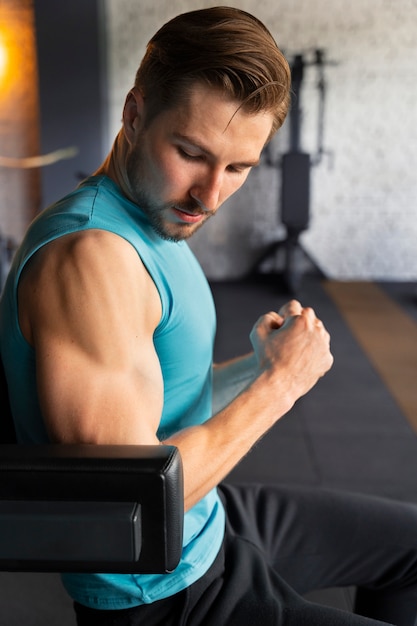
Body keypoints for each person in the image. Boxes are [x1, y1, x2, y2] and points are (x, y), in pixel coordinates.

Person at [1, 7, 417, 625]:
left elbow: (164, 399)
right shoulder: (94, 260)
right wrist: (280, 387)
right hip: (165, 596)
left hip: (207, 522)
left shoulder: (151, 220)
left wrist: (255, 369)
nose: (210, 194)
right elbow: (123, 505)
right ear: (135, 113)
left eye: (238, 168)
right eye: (191, 153)